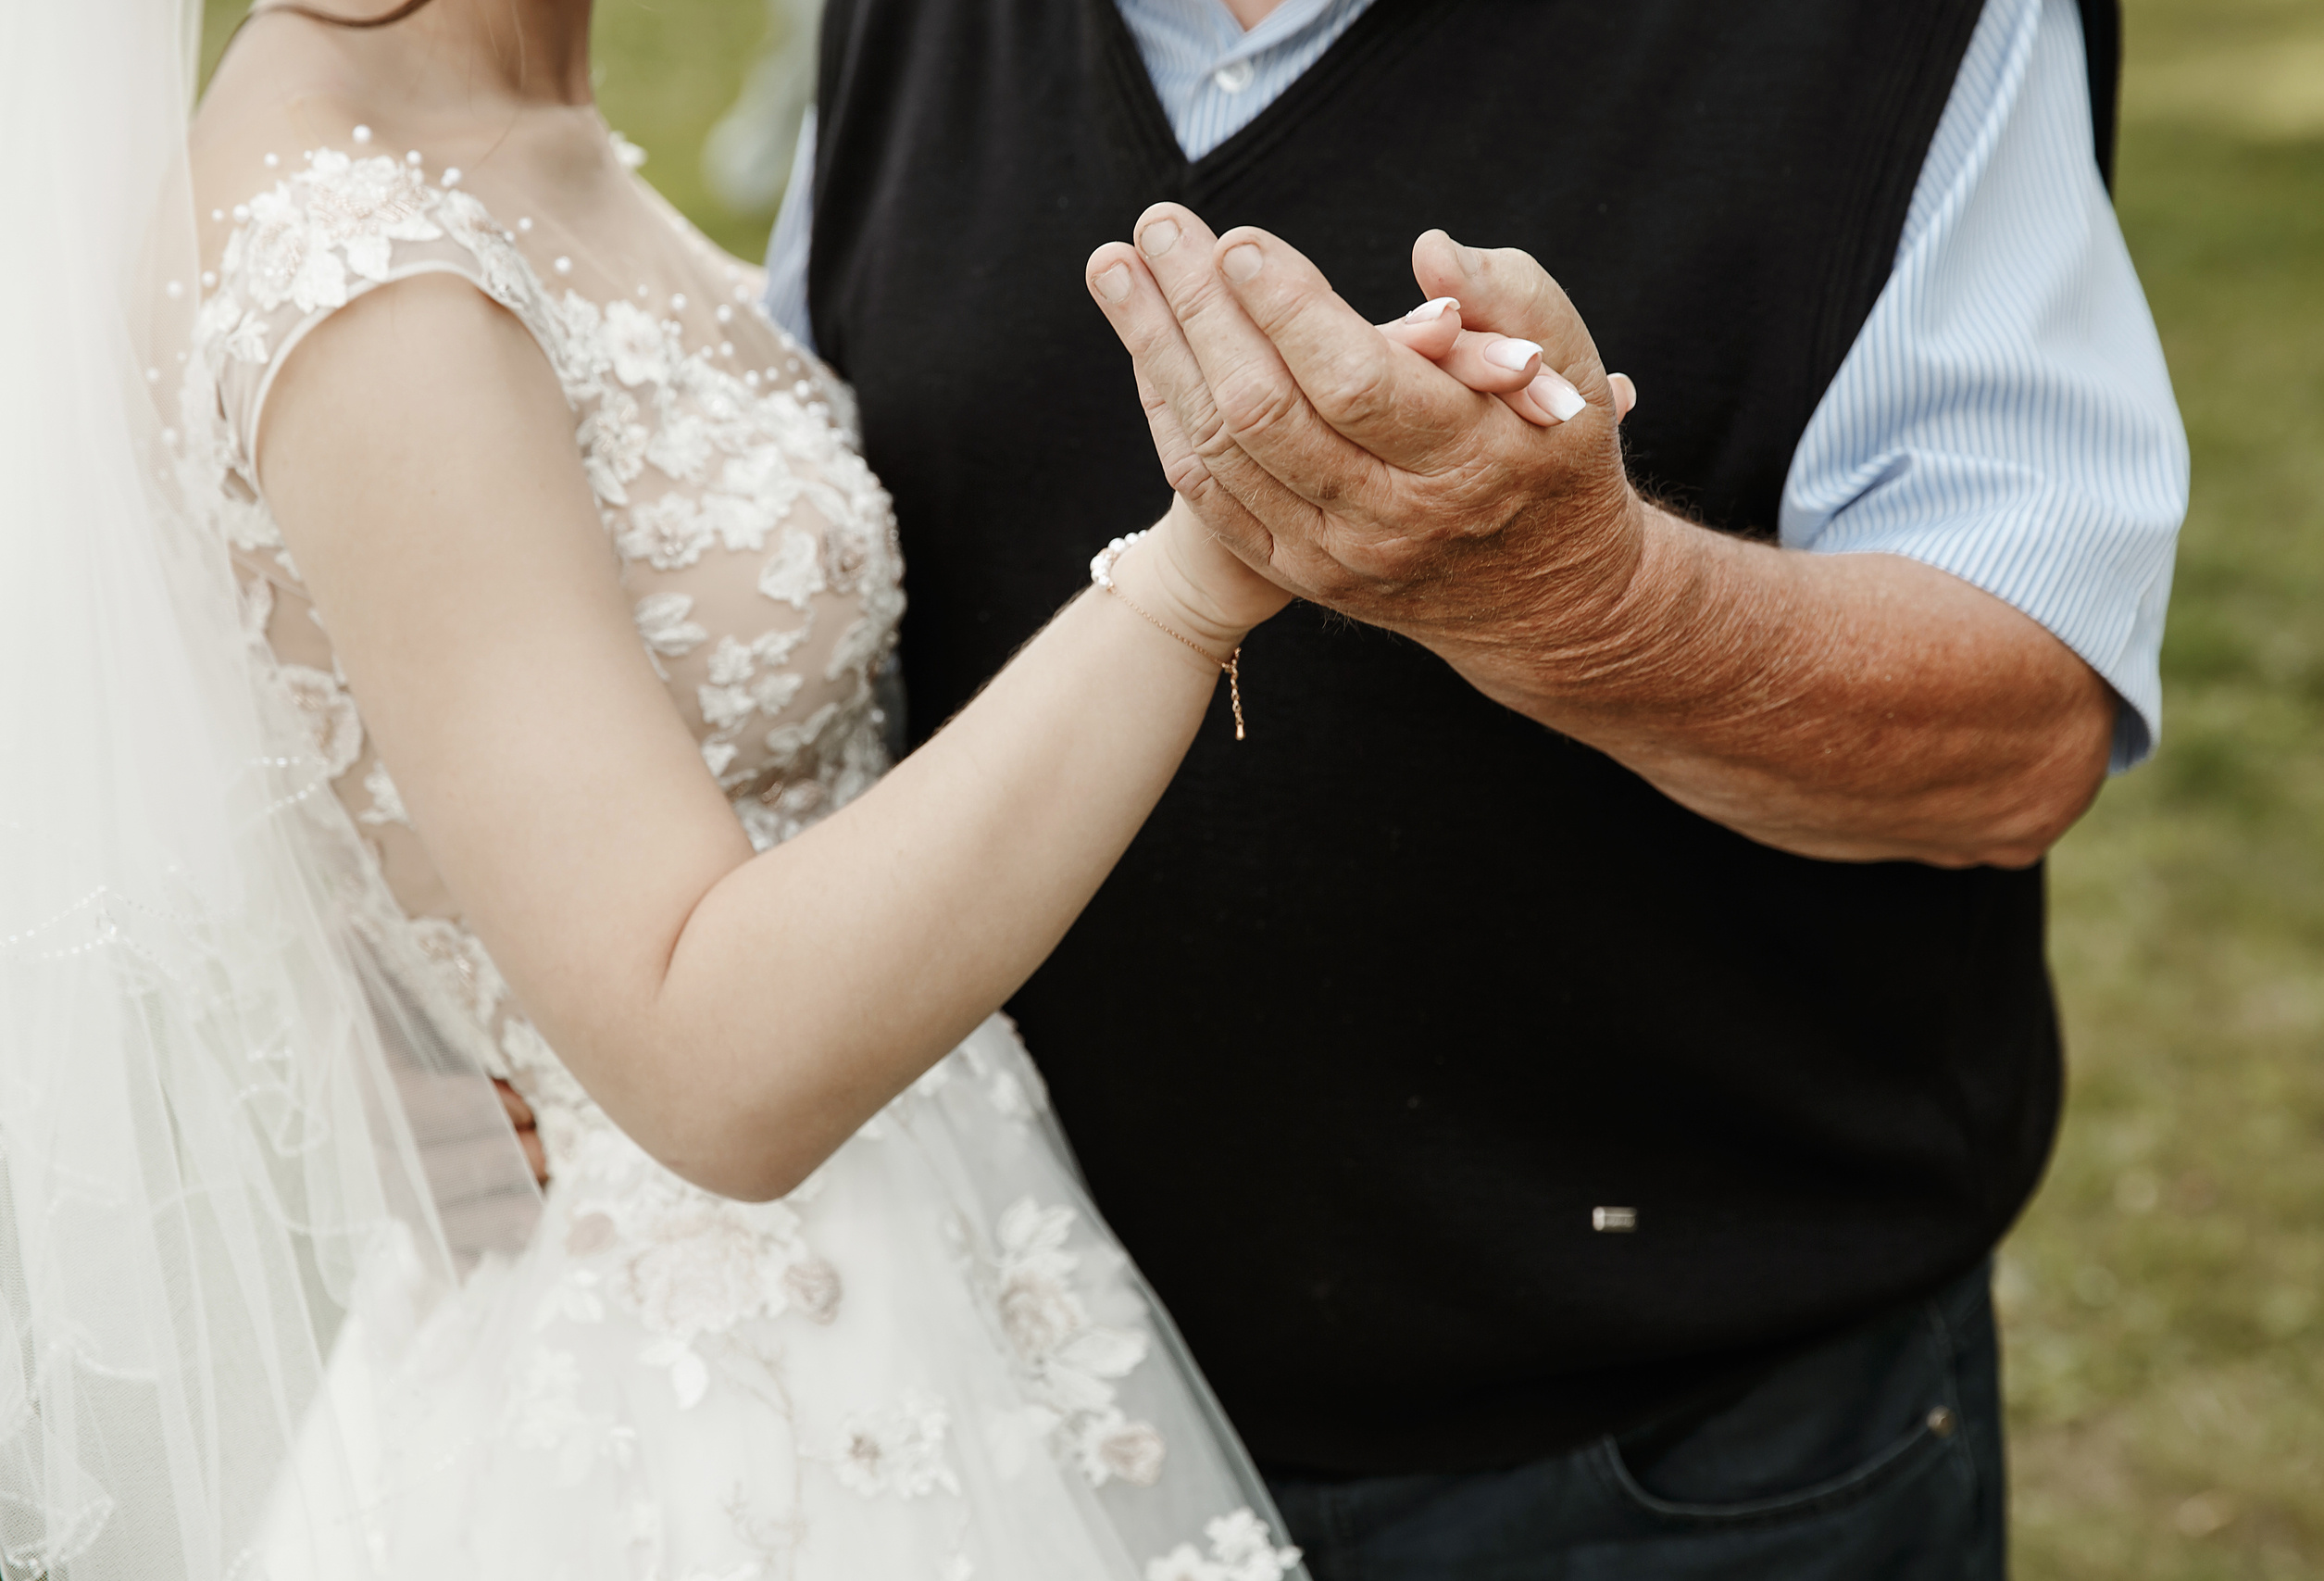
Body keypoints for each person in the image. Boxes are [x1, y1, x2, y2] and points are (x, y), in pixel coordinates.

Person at [0, 0, 1520, 1574]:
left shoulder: (510, 122)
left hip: (944, 1272)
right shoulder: (357, 265)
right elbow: (704, 1058)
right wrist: (1223, 549)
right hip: (730, 1413)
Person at [768, 0, 2190, 1573]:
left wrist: (1597, 606)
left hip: (1661, 1464)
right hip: (984, 1420)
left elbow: (2016, 742)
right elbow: (791, 556)